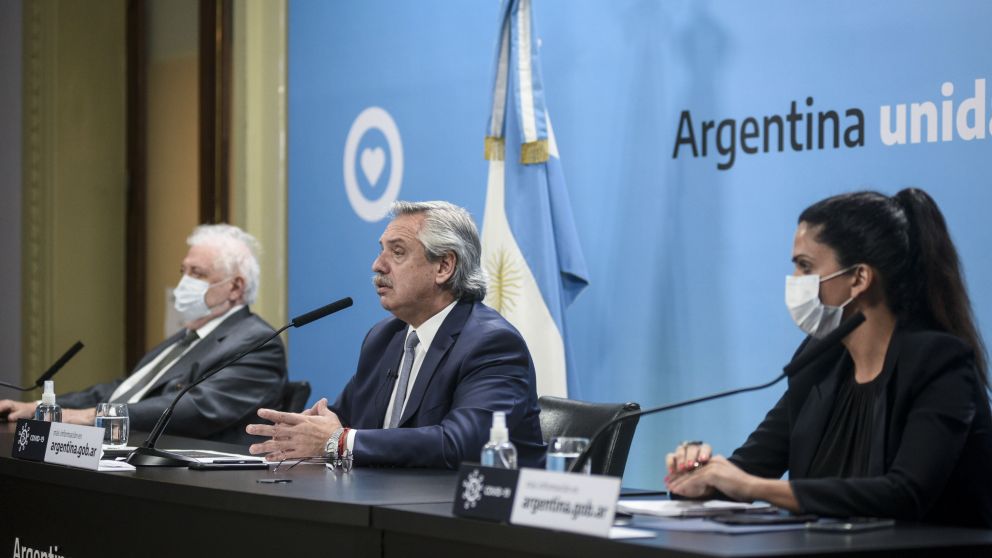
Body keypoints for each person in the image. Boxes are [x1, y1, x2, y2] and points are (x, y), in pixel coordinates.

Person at [665, 188, 992, 528]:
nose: (794, 282)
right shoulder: (819, 360)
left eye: (805, 267)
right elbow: (748, 469)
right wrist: (701, 476)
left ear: (859, 278)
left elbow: (905, 494)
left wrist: (754, 488)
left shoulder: (939, 363)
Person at [246, 201, 546, 469]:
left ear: (444, 266)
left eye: (397, 252)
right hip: (389, 506)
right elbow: (344, 422)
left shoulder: (491, 344)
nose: (378, 265)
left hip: (474, 520)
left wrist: (339, 441)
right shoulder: (384, 337)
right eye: (381, 250)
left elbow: (460, 445)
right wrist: (307, 431)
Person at [0, 224, 287, 445]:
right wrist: (41, 407)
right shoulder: (188, 336)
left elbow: (197, 409)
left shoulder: (256, 341)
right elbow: (125, 389)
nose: (184, 282)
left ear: (236, 287)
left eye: (197, 273)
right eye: (183, 271)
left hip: (191, 478)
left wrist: (91, 417)